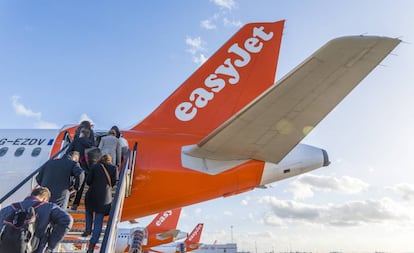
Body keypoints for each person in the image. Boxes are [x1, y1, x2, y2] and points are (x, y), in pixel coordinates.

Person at [0, 187, 73, 253]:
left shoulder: (8, 208)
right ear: (45, 199)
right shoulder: (48, 207)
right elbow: (67, 220)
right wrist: (51, 245)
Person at [83, 154, 118, 253]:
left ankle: (88, 229)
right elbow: (114, 182)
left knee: (89, 212)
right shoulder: (114, 168)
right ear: (110, 160)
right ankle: (92, 245)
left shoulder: (95, 167)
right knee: (98, 222)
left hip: (92, 194)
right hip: (104, 197)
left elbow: (88, 181)